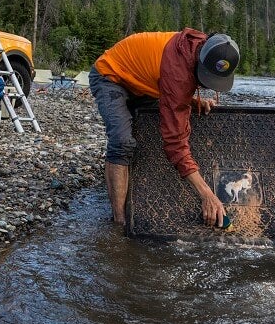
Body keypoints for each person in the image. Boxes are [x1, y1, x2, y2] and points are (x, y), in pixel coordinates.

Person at [88, 29, 240, 228]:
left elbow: (173, 89)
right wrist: (207, 195)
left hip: (145, 82)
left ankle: (130, 189)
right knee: (122, 141)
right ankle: (119, 221)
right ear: (201, 60)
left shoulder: (205, 45)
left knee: (149, 133)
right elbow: (175, 143)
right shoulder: (178, 74)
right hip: (110, 76)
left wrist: (191, 102)